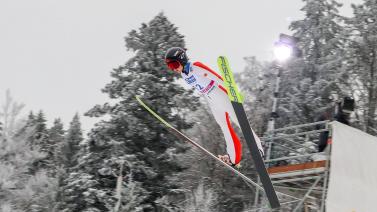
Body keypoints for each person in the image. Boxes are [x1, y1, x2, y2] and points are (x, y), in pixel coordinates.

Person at [164, 47, 264, 166]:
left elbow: (216, 77)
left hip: (220, 94)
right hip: (211, 99)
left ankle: (258, 147)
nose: (174, 69)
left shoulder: (195, 66)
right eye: (170, 67)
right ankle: (233, 157)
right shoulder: (184, 75)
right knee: (224, 126)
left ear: (182, 59)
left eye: (174, 64)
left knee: (240, 121)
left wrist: (232, 92)